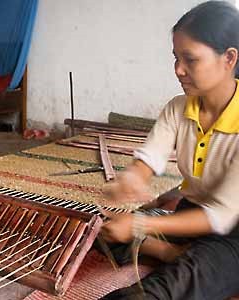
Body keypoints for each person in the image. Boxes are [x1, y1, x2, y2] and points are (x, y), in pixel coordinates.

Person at [99, 1, 239, 299]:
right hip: (192, 215)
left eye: (190, 59)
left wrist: (140, 223)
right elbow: (150, 157)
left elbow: (221, 216)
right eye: (176, 58)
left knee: (158, 293)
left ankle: (188, 260)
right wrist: (132, 179)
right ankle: (172, 253)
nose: (178, 70)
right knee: (100, 231)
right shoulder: (178, 108)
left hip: (233, 234)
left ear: (228, 59)